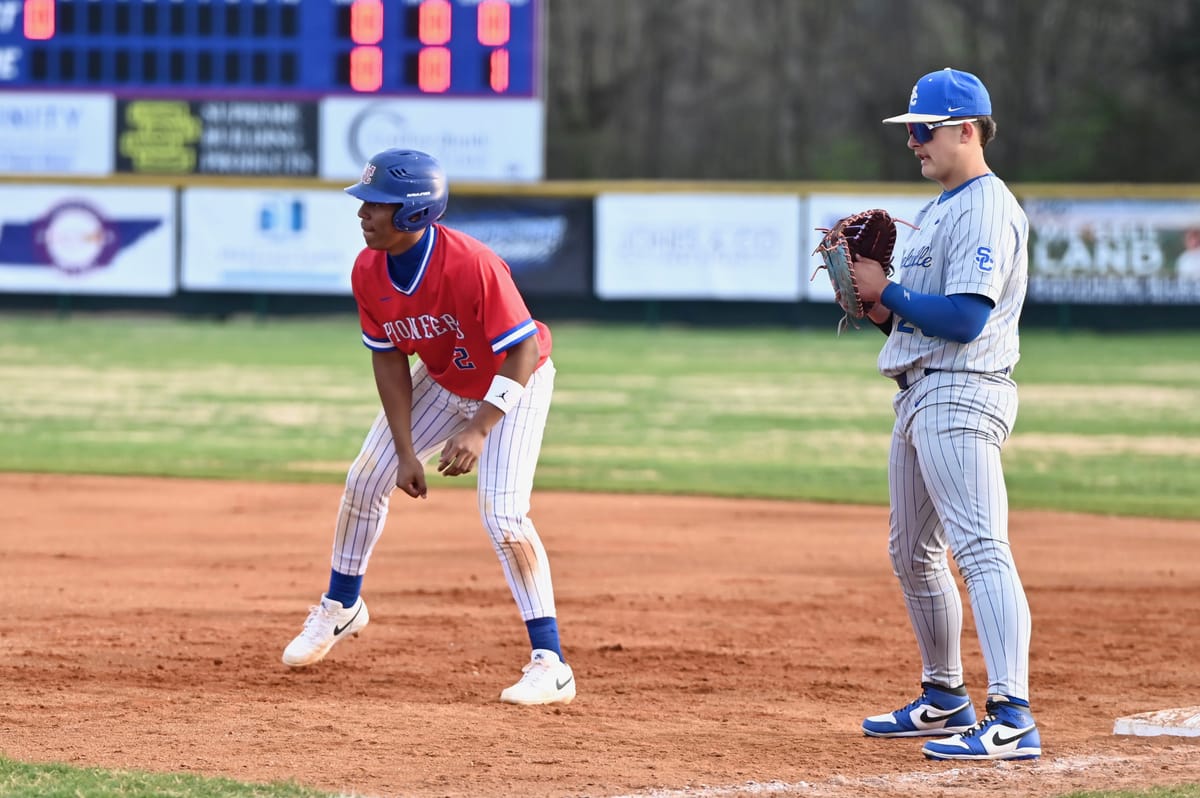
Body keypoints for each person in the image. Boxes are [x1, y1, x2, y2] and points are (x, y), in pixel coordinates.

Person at [281, 148, 575, 706]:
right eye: (364, 202)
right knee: (367, 476)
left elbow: (524, 350)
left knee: (504, 516)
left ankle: (551, 663)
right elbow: (388, 357)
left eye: (377, 205)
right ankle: (342, 605)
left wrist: (482, 427)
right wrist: (404, 449)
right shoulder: (368, 270)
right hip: (443, 379)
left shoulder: (471, 263)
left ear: (414, 213)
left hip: (514, 383)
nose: (363, 213)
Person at [849, 68, 1039, 761]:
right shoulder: (939, 210)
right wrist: (877, 307)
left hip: (962, 389)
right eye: (910, 132)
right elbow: (916, 326)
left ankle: (1014, 716)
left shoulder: (987, 207)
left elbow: (964, 319)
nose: (914, 144)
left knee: (981, 549)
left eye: (923, 131)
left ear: (966, 129)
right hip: (920, 390)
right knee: (911, 553)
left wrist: (890, 289)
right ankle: (945, 698)